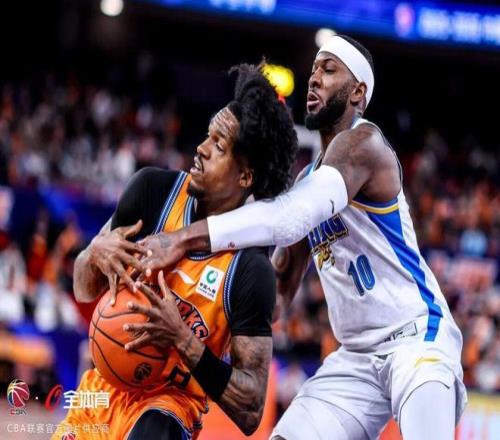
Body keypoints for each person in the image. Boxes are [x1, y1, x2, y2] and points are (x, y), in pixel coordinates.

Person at [137, 35, 467, 440]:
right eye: (313, 70)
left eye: (329, 70)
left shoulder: (366, 145)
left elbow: (290, 217)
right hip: (356, 360)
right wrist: (198, 311)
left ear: (357, 93)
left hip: (417, 338)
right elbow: (276, 292)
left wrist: (182, 239)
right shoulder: (308, 180)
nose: (314, 79)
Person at [56, 62, 298, 439]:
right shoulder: (153, 191)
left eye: (218, 145)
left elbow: (251, 409)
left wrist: (182, 338)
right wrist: (95, 254)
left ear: (245, 176)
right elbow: (84, 289)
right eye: (207, 135)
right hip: (99, 395)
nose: (201, 148)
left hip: (168, 406)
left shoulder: (250, 268)